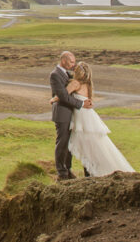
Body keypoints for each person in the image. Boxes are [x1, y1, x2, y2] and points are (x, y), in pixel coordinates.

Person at [53, 61, 135, 176]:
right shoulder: (88, 84)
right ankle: (91, 170)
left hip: (81, 116)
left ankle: (82, 170)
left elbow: (63, 94)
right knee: (93, 144)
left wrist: (53, 100)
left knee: (83, 144)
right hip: (89, 115)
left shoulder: (75, 83)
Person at [49, 51, 90, 180]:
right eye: (71, 62)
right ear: (64, 61)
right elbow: (63, 96)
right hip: (62, 114)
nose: (73, 65)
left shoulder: (67, 74)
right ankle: (62, 172)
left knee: (69, 144)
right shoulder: (55, 75)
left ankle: (68, 169)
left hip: (70, 113)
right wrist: (81, 104)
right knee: (62, 143)